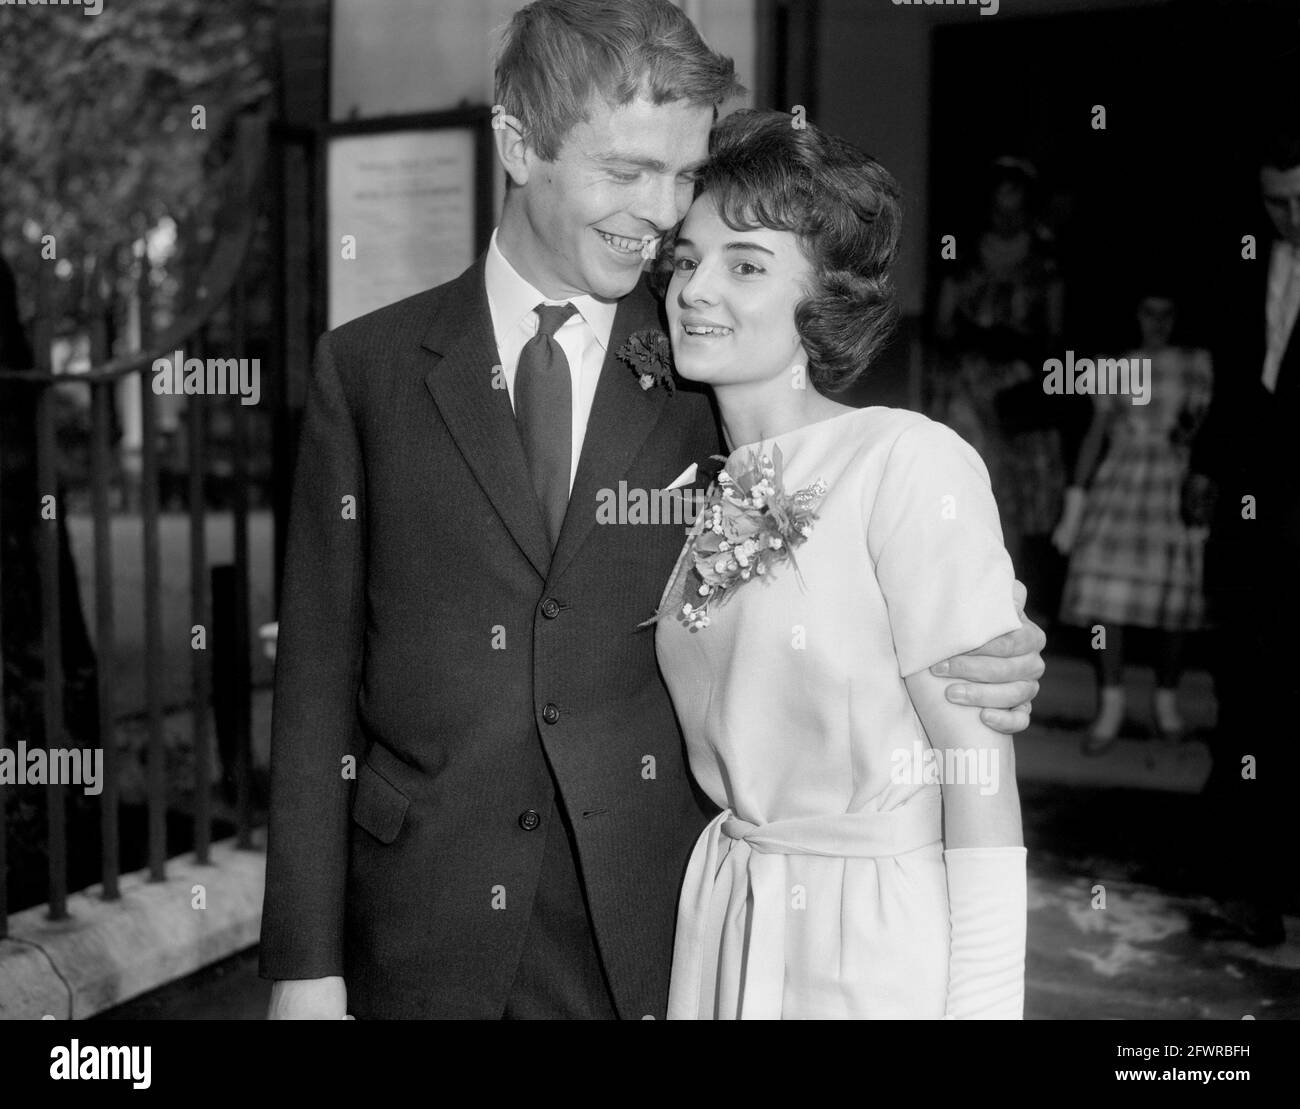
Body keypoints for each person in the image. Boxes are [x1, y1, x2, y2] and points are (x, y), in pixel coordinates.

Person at [261, 0, 1046, 1020]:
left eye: (682, 175)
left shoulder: (709, 362)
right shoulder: (362, 369)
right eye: (626, 170)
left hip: (650, 934)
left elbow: (850, 527)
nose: (662, 212)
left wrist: (986, 632)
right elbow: (316, 682)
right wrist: (303, 963)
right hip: (420, 923)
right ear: (517, 143)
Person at [655, 111, 1026, 1020]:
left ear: (823, 299)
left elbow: (981, 773)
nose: (696, 289)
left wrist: (984, 1007)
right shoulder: (703, 493)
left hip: (872, 941)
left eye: (746, 265)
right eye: (686, 259)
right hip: (731, 920)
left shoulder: (904, 460)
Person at [1185, 116, 1300, 946]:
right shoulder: (1249, 259)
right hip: (1252, 517)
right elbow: (1235, 381)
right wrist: (1206, 467)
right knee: (1248, 695)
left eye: (1297, 203)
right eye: (1274, 204)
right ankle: (1246, 890)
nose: (1286, 220)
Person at [1052, 288, 1213, 752]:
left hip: (1173, 484)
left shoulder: (1196, 363)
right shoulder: (1112, 365)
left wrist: (1204, 495)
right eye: (1149, 312)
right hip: (1120, 484)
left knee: (1175, 603)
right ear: (1134, 315)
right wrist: (1074, 505)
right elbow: (1094, 435)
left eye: (1167, 313)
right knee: (1107, 599)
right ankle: (1112, 704)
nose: (1158, 322)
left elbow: (1203, 432)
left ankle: (1166, 704)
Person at [934, 158, 1068, 615]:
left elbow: (1054, 330)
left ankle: (1016, 603)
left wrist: (1019, 348)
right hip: (970, 386)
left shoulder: (1044, 259)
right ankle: (964, 602)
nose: (1005, 216)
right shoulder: (965, 254)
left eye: (1014, 206)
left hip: (1019, 391)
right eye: (998, 207)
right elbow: (943, 325)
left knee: (1020, 503)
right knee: (968, 490)